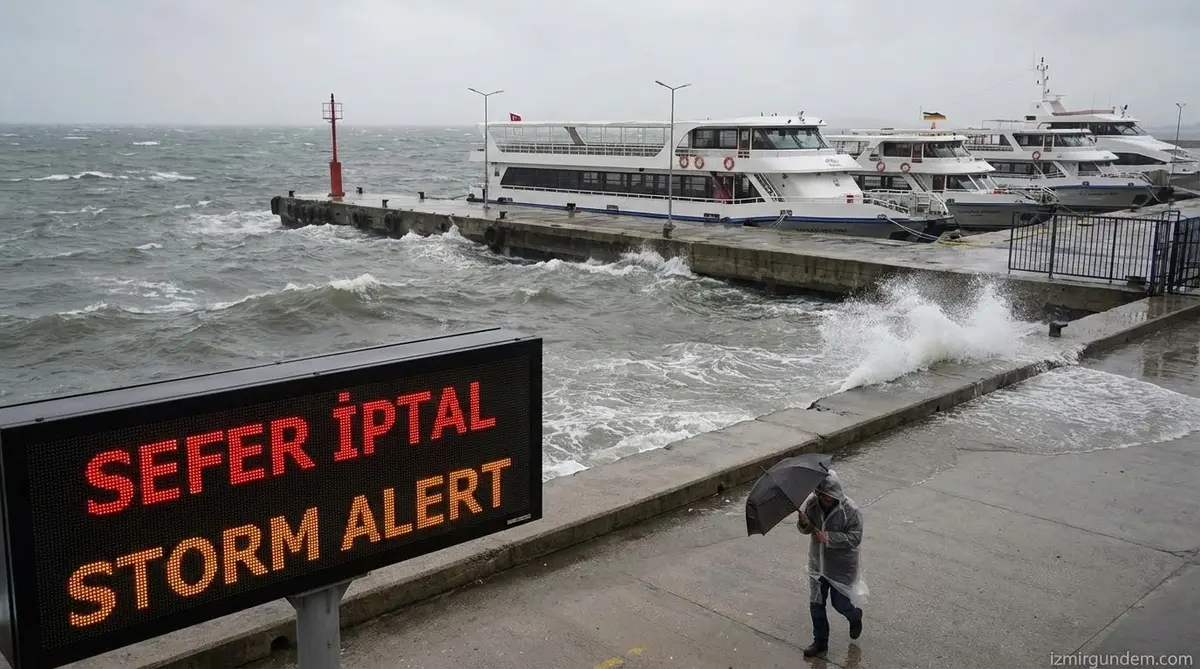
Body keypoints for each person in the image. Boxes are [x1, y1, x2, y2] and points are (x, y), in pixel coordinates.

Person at [796, 470, 864, 657]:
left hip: (841, 566)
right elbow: (807, 530)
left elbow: (855, 538)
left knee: (839, 603)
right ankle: (820, 642)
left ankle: (855, 616)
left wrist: (830, 538)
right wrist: (804, 523)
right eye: (821, 493)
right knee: (816, 604)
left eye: (828, 493)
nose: (825, 496)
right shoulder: (812, 503)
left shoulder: (851, 511)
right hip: (817, 564)